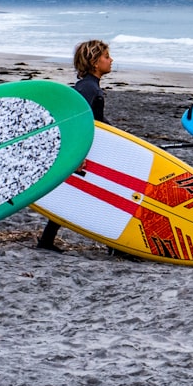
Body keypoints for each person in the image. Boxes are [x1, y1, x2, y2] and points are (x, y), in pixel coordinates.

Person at [36, 39, 113, 252]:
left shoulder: (90, 86)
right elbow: (77, 121)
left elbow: (95, 120)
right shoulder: (87, 88)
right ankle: (115, 246)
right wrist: (77, 155)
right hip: (84, 150)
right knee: (98, 193)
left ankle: (46, 241)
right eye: (106, 57)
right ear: (95, 62)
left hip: (89, 148)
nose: (111, 60)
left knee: (76, 193)